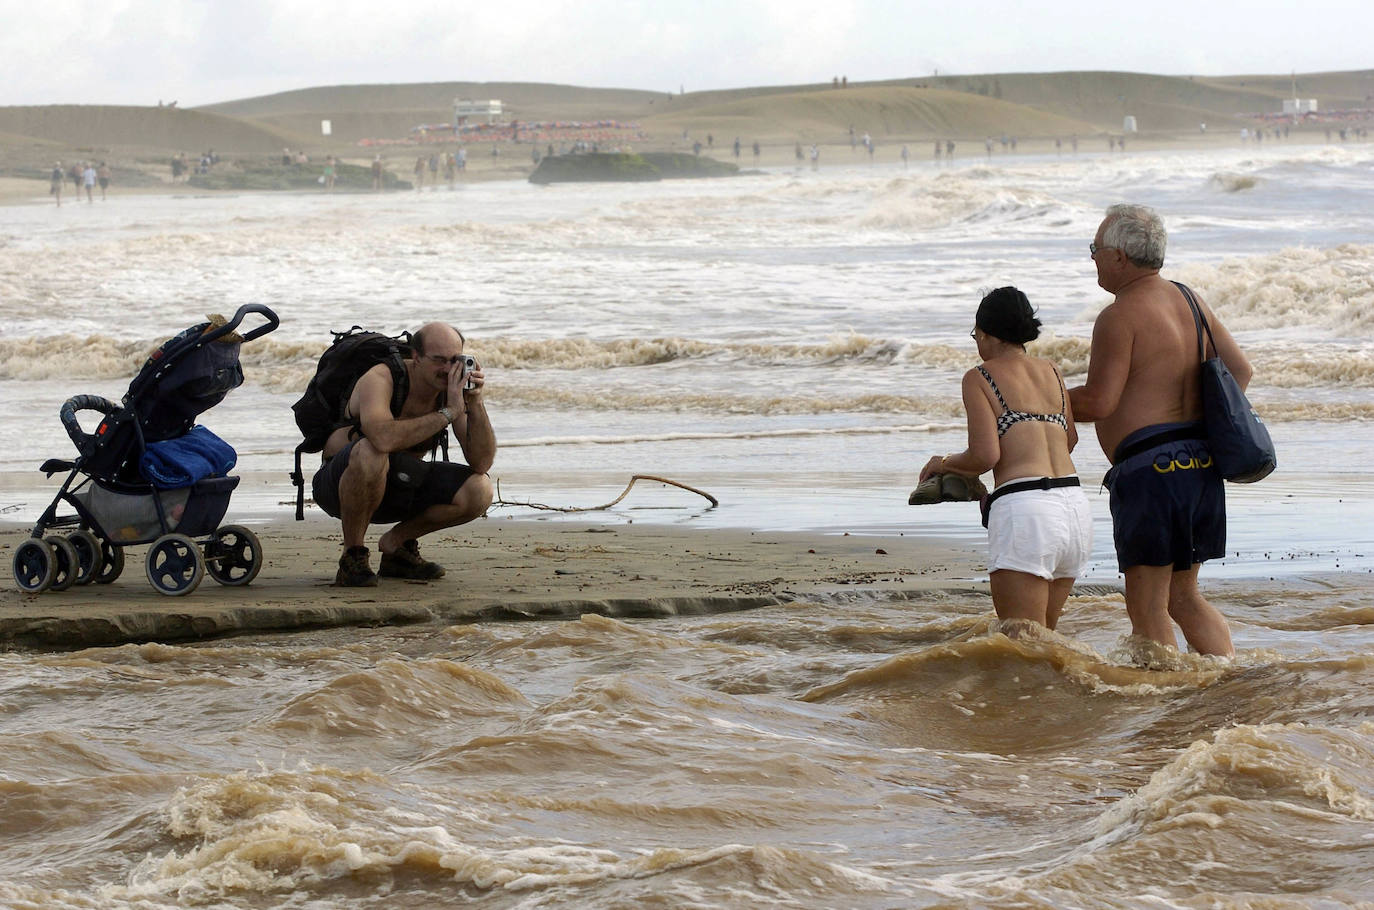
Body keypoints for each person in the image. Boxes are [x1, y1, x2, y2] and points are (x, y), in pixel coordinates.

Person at [1068, 204, 1252, 657]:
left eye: (1095, 249)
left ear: (1119, 258)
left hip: (1150, 473)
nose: (1092, 258)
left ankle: (1166, 705)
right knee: (1184, 597)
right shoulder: (1189, 299)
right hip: (1201, 465)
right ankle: (1225, 678)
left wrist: (1040, 397)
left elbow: (1099, 401)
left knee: (1147, 605)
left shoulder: (1119, 315)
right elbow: (1241, 373)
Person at [919, 287, 1092, 632]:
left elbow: (985, 455)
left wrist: (943, 463)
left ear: (984, 333)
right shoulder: (1053, 371)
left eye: (974, 335)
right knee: (1045, 639)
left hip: (1027, 513)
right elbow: (1069, 439)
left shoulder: (980, 377)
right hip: (1074, 509)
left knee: (1020, 643)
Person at [311, 323, 496, 586]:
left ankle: (397, 546)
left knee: (480, 489)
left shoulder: (452, 392)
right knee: (371, 451)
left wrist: (475, 403)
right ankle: (352, 557)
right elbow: (383, 438)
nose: (447, 369)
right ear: (416, 357)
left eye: (454, 360)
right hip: (341, 486)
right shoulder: (381, 378)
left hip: (400, 485)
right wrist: (447, 414)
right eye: (438, 360)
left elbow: (481, 461)